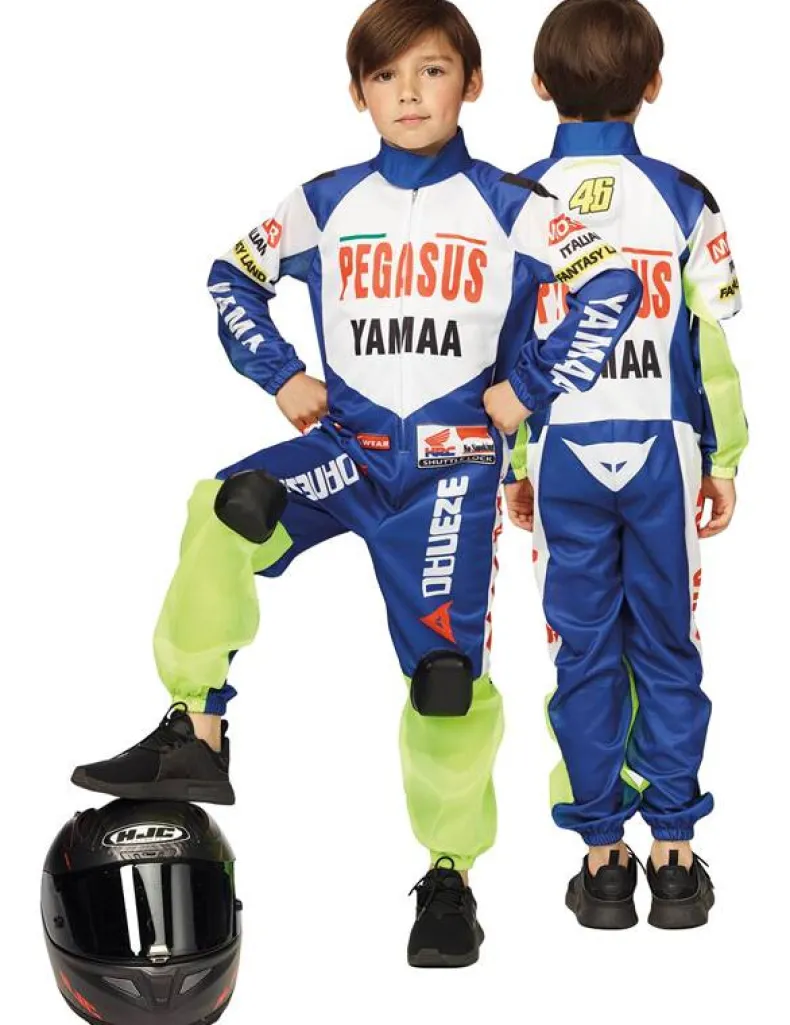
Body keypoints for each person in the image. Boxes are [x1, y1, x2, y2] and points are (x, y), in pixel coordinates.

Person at [71, 0, 641, 962]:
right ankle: (197, 730)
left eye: (431, 71)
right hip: (349, 450)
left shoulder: (514, 205)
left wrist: (528, 390)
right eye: (385, 77)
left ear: (471, 82)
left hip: (452, 475)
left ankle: (450, 875)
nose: (408, 93)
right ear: (358, 93)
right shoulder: (324, 201)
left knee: (446, 684)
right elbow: (230, 275)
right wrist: (281, 374)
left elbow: (613, 286)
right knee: (230, 506)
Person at [505, 0, 747, 929]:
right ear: (653, 84)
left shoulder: (513, 200)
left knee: (583, 648)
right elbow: (710, 343)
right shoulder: (687, 197)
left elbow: (508, 352)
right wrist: (725, 458)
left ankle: (603, 861)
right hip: (664, 451)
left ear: (538, 85)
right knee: (667, 643)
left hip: (561, 448)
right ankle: (674, 858)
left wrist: (514, 463)